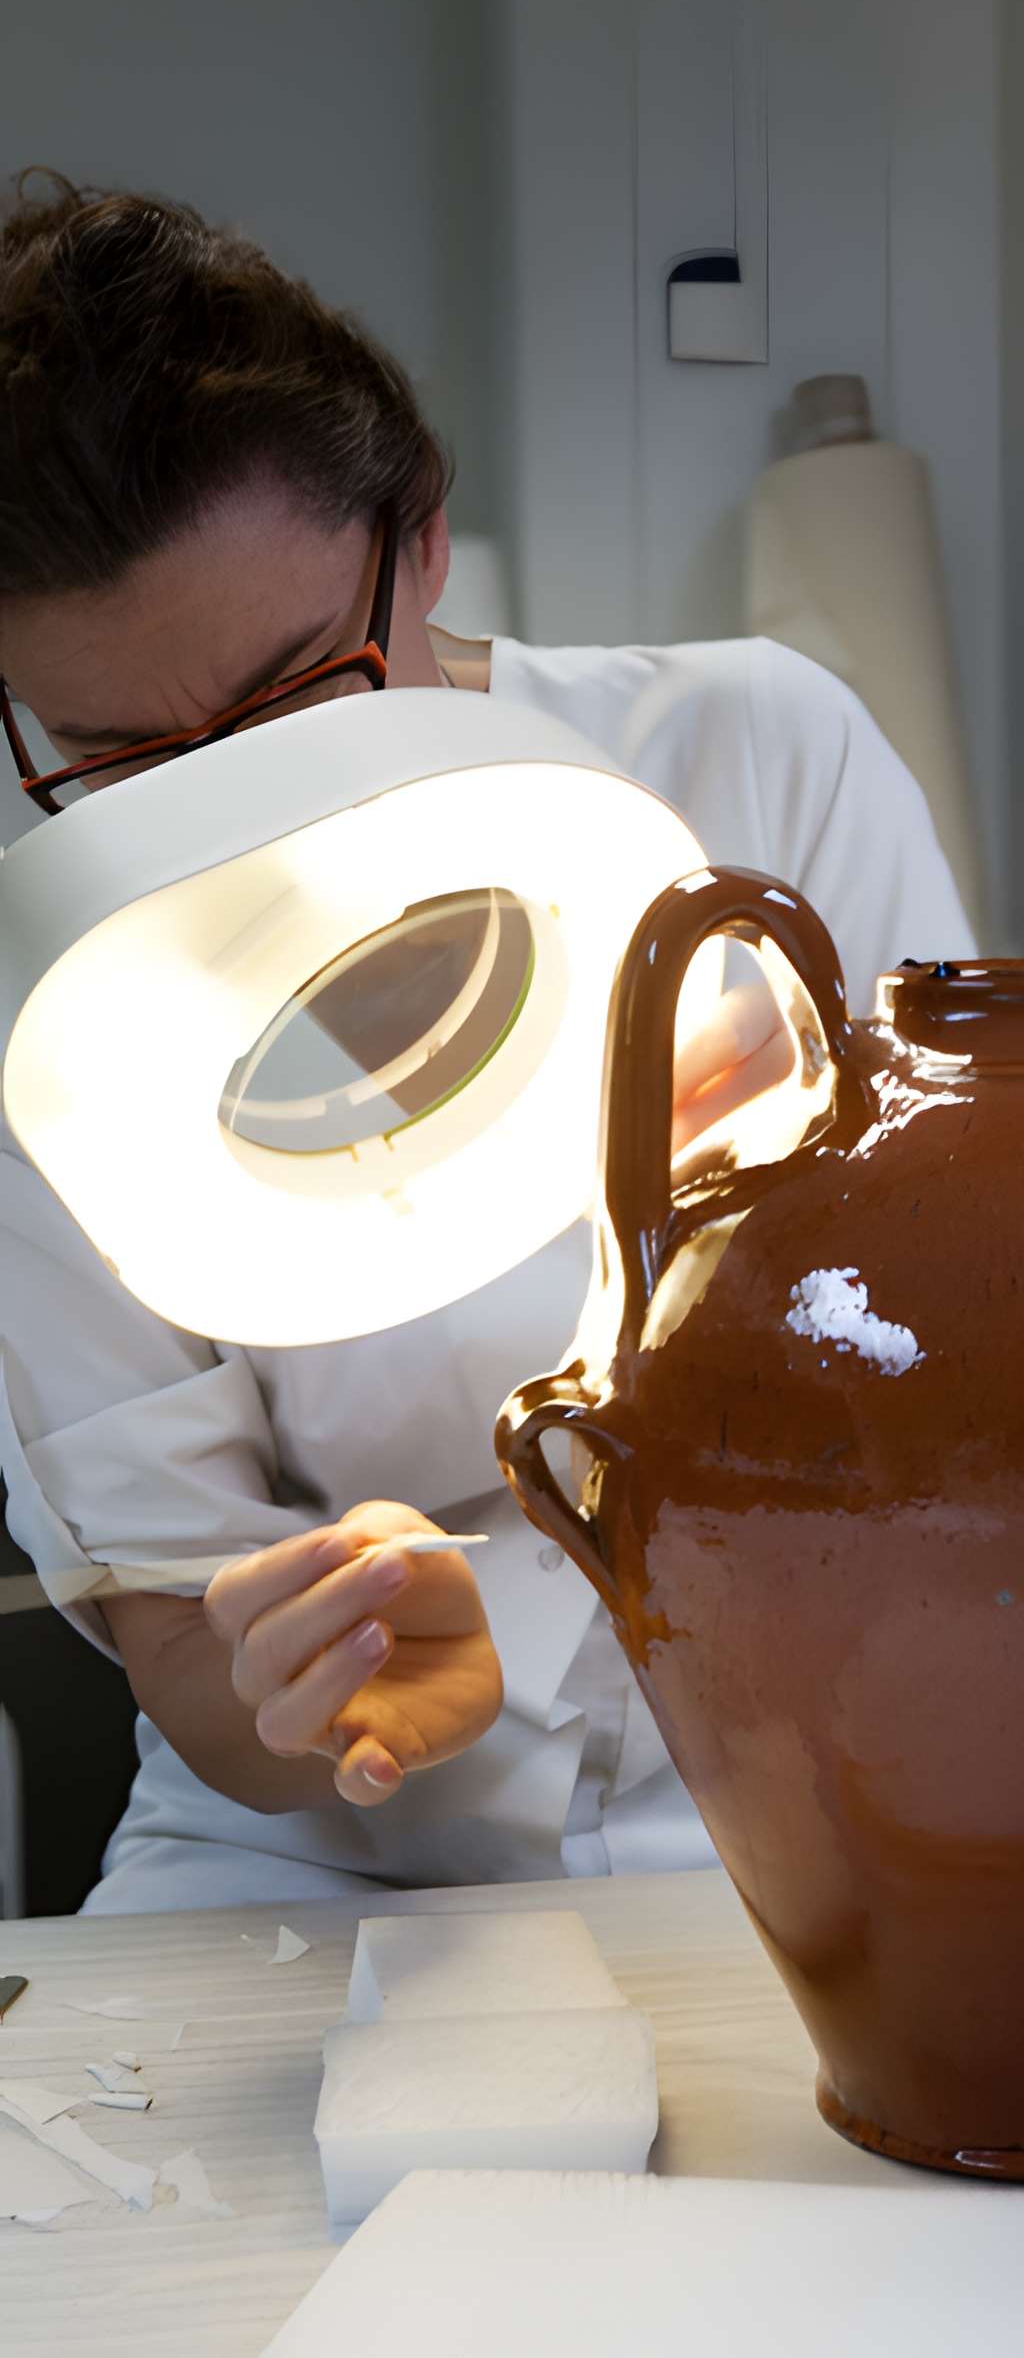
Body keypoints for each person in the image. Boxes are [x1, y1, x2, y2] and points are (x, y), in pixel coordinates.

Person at [0, 177, 973, 1913]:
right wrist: (325, 1682)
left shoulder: (751, 769)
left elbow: (970, 1352)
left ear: (424, 534)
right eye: (121, 760)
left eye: (299, 697)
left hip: (789, 1777)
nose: (237, 813)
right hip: (307, 1856)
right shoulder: (52, 1017)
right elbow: (179, 1628)